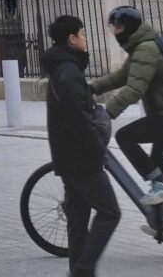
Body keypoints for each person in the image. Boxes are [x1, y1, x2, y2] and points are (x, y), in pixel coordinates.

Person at [91, 5, 163, 236]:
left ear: (129, 27)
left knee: (124, 137)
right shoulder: (142, 46)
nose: (115, 32)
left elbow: (134, 89)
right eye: (113, 27)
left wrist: (108, 113)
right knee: (157, 168)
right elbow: (121, 77)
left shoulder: (146, 49)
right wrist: (91, 88)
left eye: (118, 27)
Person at [41, 14, 118, 277]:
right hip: (81, 157)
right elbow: (77, 117)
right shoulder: (69, 72)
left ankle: (78, 270)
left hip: (68, 155)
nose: (85, 38)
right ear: (72, 38)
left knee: (77, 217)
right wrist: (96, 147)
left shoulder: (63, 68)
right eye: (82, 34)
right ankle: (83, 269)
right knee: (110, 212)